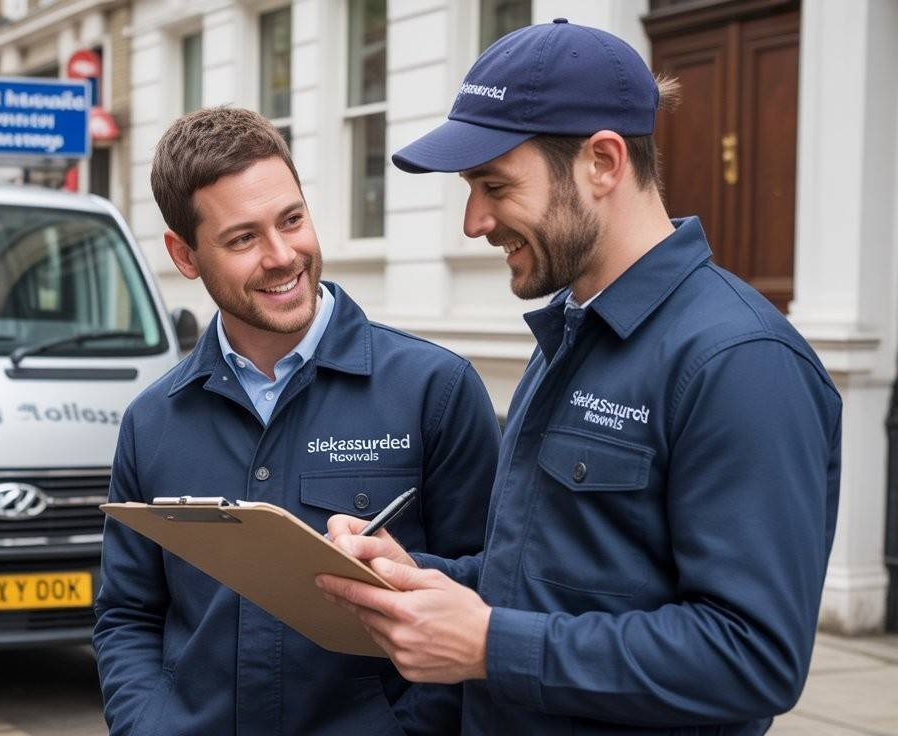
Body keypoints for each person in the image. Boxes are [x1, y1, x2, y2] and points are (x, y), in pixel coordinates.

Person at [317, 18, 842, 735]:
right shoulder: (568, 333)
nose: (474, 222)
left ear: (602, 161)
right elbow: (542, 583)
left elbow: (752, 657)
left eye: (494, 184)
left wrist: (489, 645)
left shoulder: (741, 363)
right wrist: (416, 577)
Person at [92, 107, 501, 735]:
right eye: (242, 238)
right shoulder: (153, 421)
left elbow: (492, 591)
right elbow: (128, 615)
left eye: (292, 219)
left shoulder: (435, 391)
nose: (283, 256)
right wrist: (148, 725)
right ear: (185, 254)